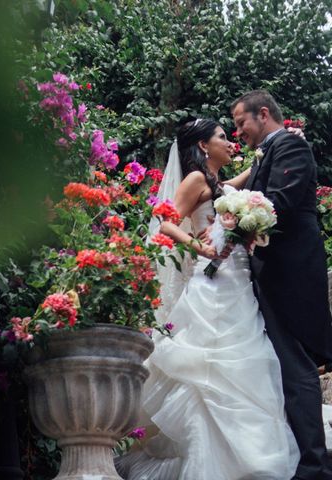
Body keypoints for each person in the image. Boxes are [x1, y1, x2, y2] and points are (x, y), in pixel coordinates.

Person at [115, 118, 300, 479]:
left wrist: (273, 146)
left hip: (237, 282)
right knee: (208, 369)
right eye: (221, 137)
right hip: (212, 286)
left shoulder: (215, 183)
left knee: (246, 359)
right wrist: (200, 247)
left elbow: (235, 186)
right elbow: (164, 219)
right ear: (203, 146)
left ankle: (243, 455)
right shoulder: (196, 179)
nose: (229, 142)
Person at [232, 89, 332, 480]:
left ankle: (314, 466)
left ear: (262, 114)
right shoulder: (267, 152)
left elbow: (279, 203)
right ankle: (298, 457)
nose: (238, 132)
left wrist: (232, 224)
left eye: (241, 123)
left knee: (295, 368)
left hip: (291, 273)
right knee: (280, 368)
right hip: (270, 273)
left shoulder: (290, 145)